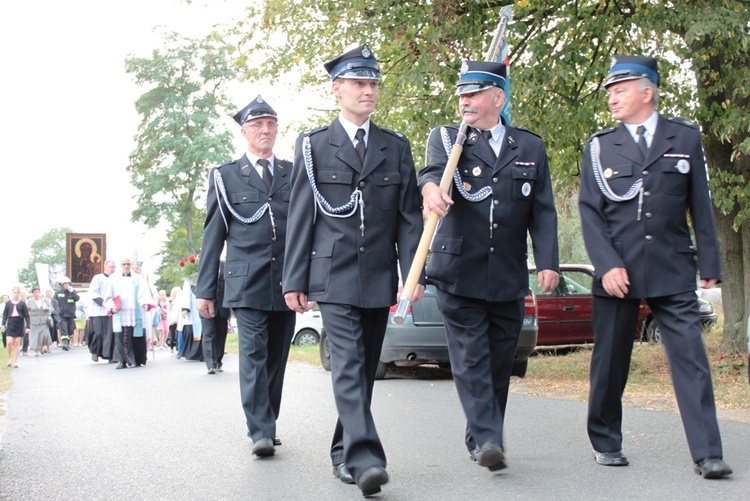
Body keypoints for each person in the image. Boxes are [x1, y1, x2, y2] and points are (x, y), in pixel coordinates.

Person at [578, 55, 732, 479]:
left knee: (690, 359)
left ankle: (708, 453)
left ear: (647, 91)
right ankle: (606, 441)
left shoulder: (684, 137)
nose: (612, 97)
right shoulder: (600, 145)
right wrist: (606, 265)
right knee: (610, 362)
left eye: (620, 89)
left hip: (671, 265)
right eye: (609, 91)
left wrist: (710, 262)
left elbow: (700, 202)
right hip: (618, 271)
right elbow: (590, 212)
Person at [282, 44, 424, 497]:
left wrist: (413, 273)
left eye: (373, 83)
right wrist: (294, 279)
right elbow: (301, 215)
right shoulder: (313, 146)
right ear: (337, 89)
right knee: (346, 363)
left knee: (363, 371)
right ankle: (366, 459)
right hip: (334, 275)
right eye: (359, 83)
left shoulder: (395, 146)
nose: (368, 91)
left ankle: (343, 452)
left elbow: (408, 218)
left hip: (379, 275)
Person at [419, 59, 559, 472]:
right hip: (457, 270)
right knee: (471, 358)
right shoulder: (446, 138)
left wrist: (548, 262)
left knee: (500, 361)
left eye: (474, 93)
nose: (464, 100)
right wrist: (430, 190)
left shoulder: (529, 146)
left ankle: (482, 434)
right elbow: (429, 173)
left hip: (507, 273)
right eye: (461, 94)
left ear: (498, 97)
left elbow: (544, 210)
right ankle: (488, 439)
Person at [196, 95, 295, 458]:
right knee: (253, 353)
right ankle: (260, 430)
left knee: (276, 357)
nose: (265, 130)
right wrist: (205, 289)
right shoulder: (224, 176)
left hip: (287, 280)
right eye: (257, 125)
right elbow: (213, 235)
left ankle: (267, 419)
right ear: (244, 132)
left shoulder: (293, 171)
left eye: (270, 124)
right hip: (246, 280)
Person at [112, 258, 152, 369]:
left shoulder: (138, 278)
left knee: (137, 335)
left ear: (131, 265)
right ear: (121, 265)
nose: (126, 266)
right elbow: (110, 293)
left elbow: (143, 292)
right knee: (120, 336)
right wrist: (112, 306)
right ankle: (122, 360)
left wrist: (145, 303)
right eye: (124, 264)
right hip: (120, 311)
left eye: (128, 264)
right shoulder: (115, 278)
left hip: (135, 311)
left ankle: (138, 359)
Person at [201, 261, 229, 375]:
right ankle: (210, 364)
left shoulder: (225, 266)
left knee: (221, 335)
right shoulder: (203, 266)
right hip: (206, 307)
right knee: (209, 334)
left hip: (222, 307)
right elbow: (195, 286)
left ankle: (218, 361)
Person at [88, 260, 118, 363]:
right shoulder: (98, 278)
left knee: (110, 334)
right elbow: (93, 292)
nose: (113, 269)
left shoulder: (116, 279)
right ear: (105, 266)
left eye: (114, 267)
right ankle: (95, 352)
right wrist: (102, 303)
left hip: (110, 310)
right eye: (111, 267)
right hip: (98, 310)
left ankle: (109, 355)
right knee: (99, 333)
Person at [2, 287, 30, 368]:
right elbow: (5, 315)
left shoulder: (22, 304)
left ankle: (15, 361)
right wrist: (3, 324)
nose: (16, 294)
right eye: (15, 292)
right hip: (11, 323)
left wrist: (27, 326)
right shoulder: (8, 304)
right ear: (12, 293)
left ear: (20, 294)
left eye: (18, 292)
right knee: (9, 342)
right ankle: (9, 359)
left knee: (17, 343)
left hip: (19, 323)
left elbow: (26, 316)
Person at [54, 277, 80, 351]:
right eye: (65, 284)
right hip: (62, 314)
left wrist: (72, 292)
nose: (66, 285)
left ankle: (67, 342)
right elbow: (54, 302)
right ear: (61, 285)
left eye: (67, 284)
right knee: (64, 328)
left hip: (71, 314)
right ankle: (64, 343)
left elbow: (77, 298)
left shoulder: (72, 292)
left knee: (70, 329)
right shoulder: (58, 293)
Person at [26, 287, 51, 357]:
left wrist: (48, 309)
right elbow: (26, 311)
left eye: (38, 292)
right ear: (33, 294)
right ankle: (36, 350)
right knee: (35, 337)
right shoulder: (30, 302)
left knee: (44, 336)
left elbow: (51, 308)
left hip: (43, 320)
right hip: (34, 321)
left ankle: (43, 347)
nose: (37, 294)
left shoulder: (45, 300)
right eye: (35, 292)